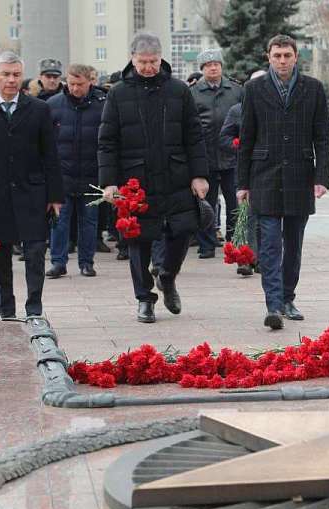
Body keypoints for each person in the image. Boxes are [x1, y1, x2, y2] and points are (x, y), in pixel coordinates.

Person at [98, 32, 210, 324]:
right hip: (136, 180)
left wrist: (199, 175)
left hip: (176, 175)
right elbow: (107, 141)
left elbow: (194, 136)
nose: (148, 67)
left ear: (161, 58)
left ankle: (168, 276)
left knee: (183, 231)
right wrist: (109, 181)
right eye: (142, 61)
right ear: (132, 59)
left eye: (153, 61)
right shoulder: (118, 93)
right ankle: (144, 299)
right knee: (138, 241)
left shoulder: (179, 91)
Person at [237, 35, 329, 330]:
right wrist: (242, 183)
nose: (282, 60)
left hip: (300, 175)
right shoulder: (254, 89)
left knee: (294, 242)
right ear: (268, 57)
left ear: (295, 57)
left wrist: (321, 178)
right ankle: (273, 304)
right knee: (269, 244)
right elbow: (247, 138)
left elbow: (323, 138)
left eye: (287, 55)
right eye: (276, 55)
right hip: (264, 173)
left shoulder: (313, 89)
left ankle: (288, 297)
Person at [0, 51, 63, 320]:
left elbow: (50, 155)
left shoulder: (40, 109)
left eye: (16, 74)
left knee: (36, 252)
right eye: (5, 74)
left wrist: (55, 196)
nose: (11, 80)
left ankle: (34, 308)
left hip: (33, 192)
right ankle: (6, 309)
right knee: (1, 256)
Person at [46, 64, 106, 279]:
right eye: (71, 84)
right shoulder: (53, 105)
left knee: (89, 221)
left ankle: (87, 262)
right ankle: (58, 262)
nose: (75, 88)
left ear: (91, 81)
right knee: (59, 221)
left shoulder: (102, 105)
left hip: (91, 174)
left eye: (80, 84)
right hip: (62, 174)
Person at [190, 48, 244, 260]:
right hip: (205, 158)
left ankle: (234, 242)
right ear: (202, 69)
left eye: (216, 64)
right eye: (208, 65)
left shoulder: (236, 90)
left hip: (232, 157)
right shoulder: (193, 92)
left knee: (235, 203)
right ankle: (206, 245)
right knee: (205, 205)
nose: (213, 67)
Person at [219, 69, 267, 277]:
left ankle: (262, 258)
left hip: (270, 171)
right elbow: (224, 138)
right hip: (245, 170)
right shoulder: (238, 110)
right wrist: (238, 145)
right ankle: (246, 258)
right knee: (246, 216)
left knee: (267, 218)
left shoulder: (280, 109)